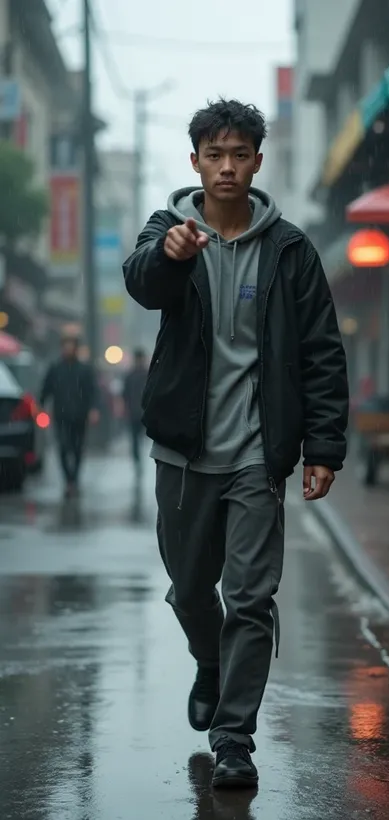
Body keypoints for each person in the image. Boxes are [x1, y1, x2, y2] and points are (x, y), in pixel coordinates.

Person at [123, 99, 349, 789]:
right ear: (195, 161)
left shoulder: (289, 249)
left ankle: (234, 740)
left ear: (257, 160)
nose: (227, 166)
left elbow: (321, 352)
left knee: (249, 598)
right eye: (214, 154)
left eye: (239, 153)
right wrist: (169, 256)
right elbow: (143, 283)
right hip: (185, 453)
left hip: (258, 452)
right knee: (192, 590)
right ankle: (210, 662)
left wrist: (323, 448)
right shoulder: (169, 229)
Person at [40, 336, 99, 497]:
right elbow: (46, 389)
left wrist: (93, 410)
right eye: (66, 346)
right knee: (63, 447)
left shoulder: (84, 370)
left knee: (78, 448)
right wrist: (41, 406)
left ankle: (74, 479)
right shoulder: (56, 368)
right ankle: (69, 480)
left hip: (80, 415)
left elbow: (92, 391)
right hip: (61, 415)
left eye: (71, 346)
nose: (68, 350)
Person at [122, 348, 148, 470]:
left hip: (138, 411)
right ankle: (137, 459)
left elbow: (125, 394)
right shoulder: (138, 375)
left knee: (136, 439)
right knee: (136, 439)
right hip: (137, 411)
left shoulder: (135, 375)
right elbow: (125, 394)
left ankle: (137, 459)